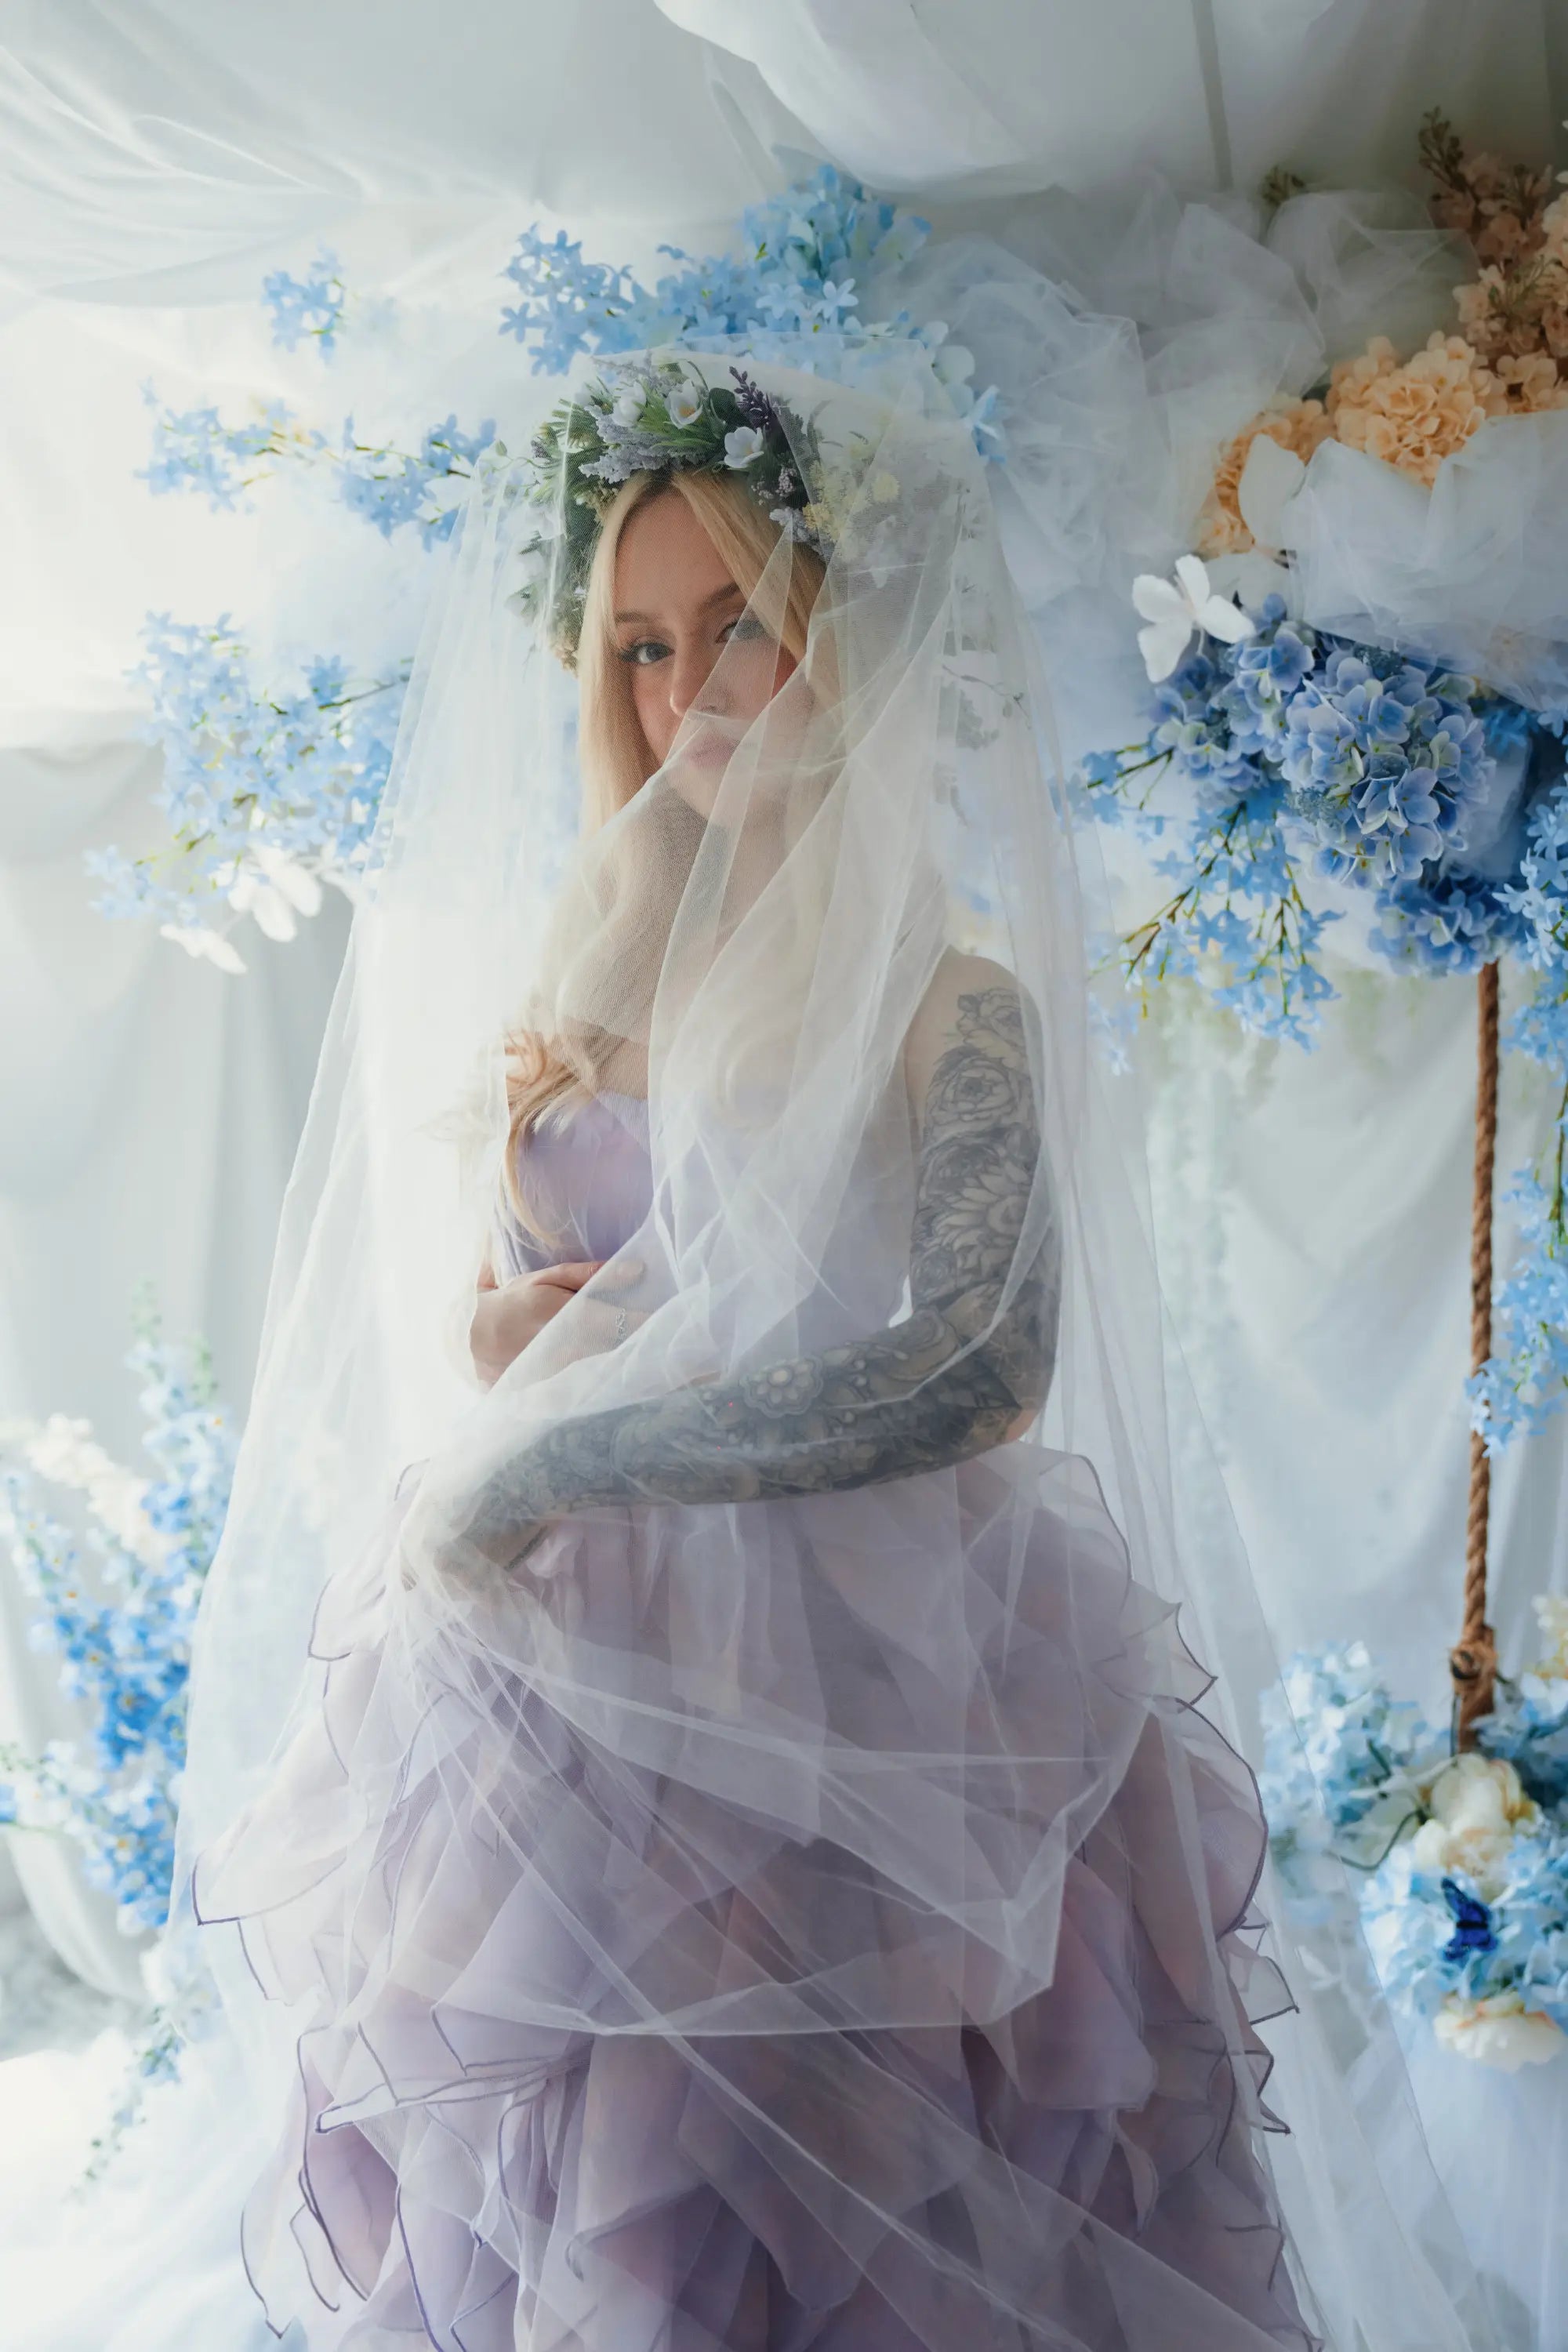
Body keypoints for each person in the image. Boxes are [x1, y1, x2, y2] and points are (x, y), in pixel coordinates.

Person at [189, 348, 1322, 2350]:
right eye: (638, 645)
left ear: (842, 644)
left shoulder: (944, 999)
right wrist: (503, 1350)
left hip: (872, 1676)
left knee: (852, 2199)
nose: (688, 689)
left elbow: (982, 1362)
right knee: (607, 2213)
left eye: (740, 631)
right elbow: (512, 1286)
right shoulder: (596, 955)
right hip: (558, 1675)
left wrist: (570, 1461)